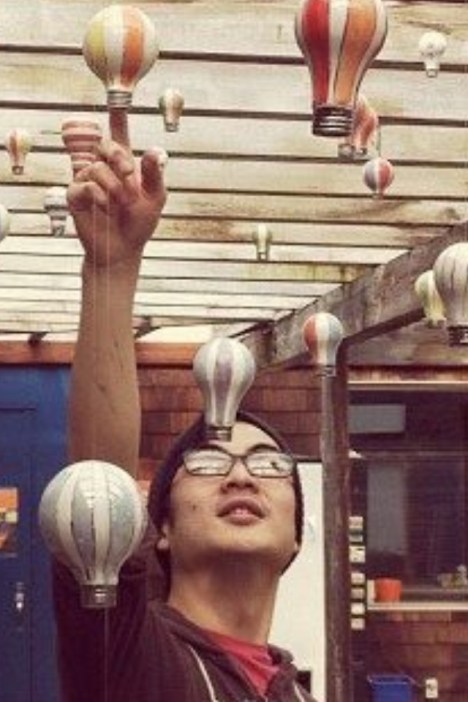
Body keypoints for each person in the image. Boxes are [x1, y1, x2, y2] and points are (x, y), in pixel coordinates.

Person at [52, 119, 315, 702]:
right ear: (161, 528)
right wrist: (111, 269)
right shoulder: (130, 656)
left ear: (296, 537)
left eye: (269, 464)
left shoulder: (293, 691)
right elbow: (97, 491)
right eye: (208, 462)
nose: (242, 476)